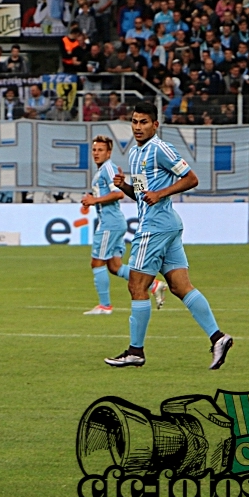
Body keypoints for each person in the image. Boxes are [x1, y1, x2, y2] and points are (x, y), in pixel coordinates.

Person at [106, 102, 233, 369]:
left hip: (155, 228)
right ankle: (218, 338)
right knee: (179, 286)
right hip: (166, 226)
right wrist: (125, 186)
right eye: (134, 121)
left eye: (143, 122)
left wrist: (161, 193)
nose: (138, 127)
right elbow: (142, 194)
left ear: (155, 125)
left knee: (137, 286)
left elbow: (191, 178)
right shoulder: (134, 154)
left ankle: (135, 351)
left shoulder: (160, 149)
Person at [80, 136, 167, 316]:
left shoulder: (109, 168)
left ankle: (105, 306)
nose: (96, 153)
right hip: (114, 222)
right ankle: (154, 284)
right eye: (94, 150)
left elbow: (118, 194)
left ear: (109, 152)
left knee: (97, 262)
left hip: (109, 223)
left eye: (101, 150)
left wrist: (94, 199)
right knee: (115, 266)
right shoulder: (101, 171)